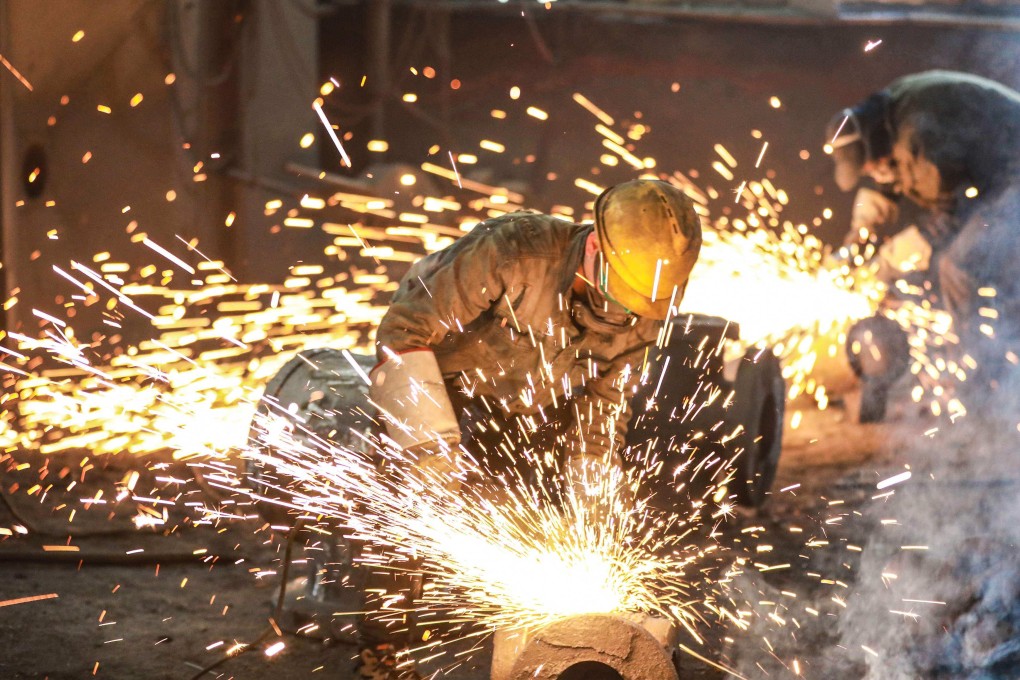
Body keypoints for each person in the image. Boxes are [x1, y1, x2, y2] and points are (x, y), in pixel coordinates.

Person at [352, 179, 703, 679]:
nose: (624, 316)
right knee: (409, 511)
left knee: (553, 521)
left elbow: (603, 412)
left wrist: (593, 504)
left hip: (526, 416)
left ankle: (531, 646)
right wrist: (431, 450)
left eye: (637, 307)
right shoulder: (514, 252)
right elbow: (402, 333)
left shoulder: (647, 312)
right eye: (620, 295)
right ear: (596, 247)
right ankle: (382, 654)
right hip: (438, 392)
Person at [826, 70, 1020, 404]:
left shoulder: (918, 133)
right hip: (1000, 176)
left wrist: (885, 263)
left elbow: (945, 222)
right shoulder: (887, 114)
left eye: (869, 165)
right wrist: (855, 241)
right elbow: (886, 181)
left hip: (1013, 177)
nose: (871, 172)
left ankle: (983, 389)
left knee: (959, 266)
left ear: (872, 144)